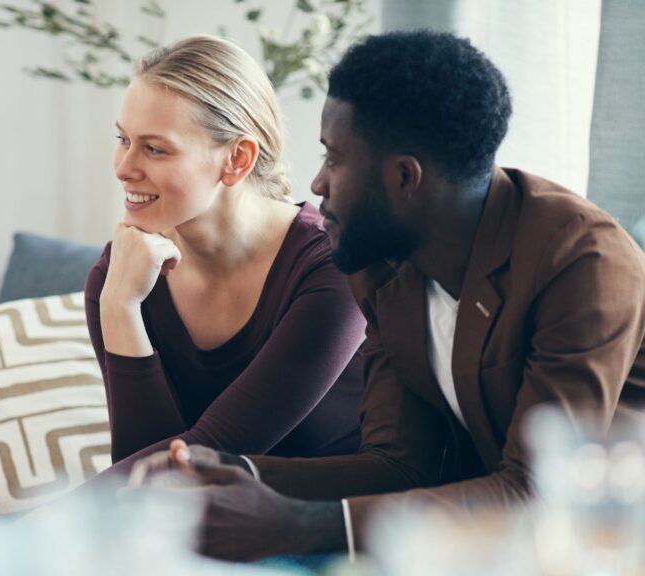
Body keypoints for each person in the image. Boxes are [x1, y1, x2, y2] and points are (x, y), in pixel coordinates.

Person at [129, 30, 645, 561]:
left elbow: (540, 494)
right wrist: (240, 470)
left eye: (334, 159)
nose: (318, 183)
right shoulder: (381, 264)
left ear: (404, 177)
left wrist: (302, 525)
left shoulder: (583, 264)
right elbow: (400, 464)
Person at [85, 34, 367, 477]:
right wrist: (120, 309)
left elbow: (192, 466)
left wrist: (27, 532)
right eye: (123, 139)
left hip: (328, 532)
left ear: (237, 159)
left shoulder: (332, 268)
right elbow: (148, 485)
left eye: (154, 148)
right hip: (197, 536)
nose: (124, 167)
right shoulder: (118, 277)